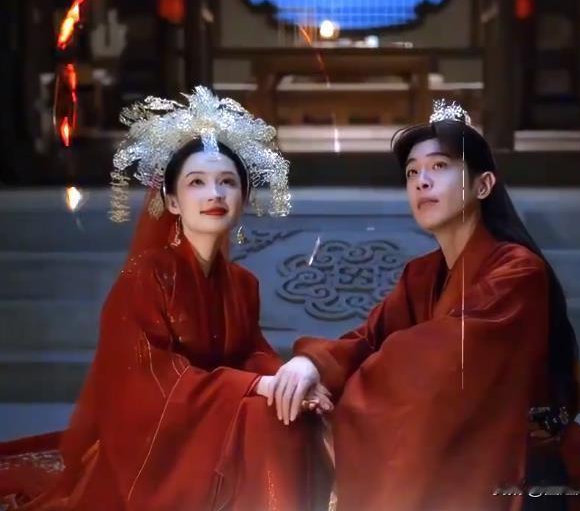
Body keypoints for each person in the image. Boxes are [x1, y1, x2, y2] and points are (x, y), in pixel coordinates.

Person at [268, 100, 580, 511]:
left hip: (518, 472)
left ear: (483, 186)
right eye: (412, 172)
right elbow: (368, 340)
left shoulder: (519, 272)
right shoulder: (421, 275)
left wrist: (341, 397)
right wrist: (311, 366)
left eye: (439, 167)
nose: (421, 182)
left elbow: (442, 364)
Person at [0, 87, 331, 510]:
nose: (215, 194)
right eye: (197, 183)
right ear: (172, 201)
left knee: (289, 409)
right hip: (159, 436)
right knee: (265, 415)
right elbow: (148, 377)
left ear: (244, 198)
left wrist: (289, 380)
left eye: (228, 182)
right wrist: (256, 386)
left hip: (213, 419)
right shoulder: (147, 275)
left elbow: (251, 352)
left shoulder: (241, 282)